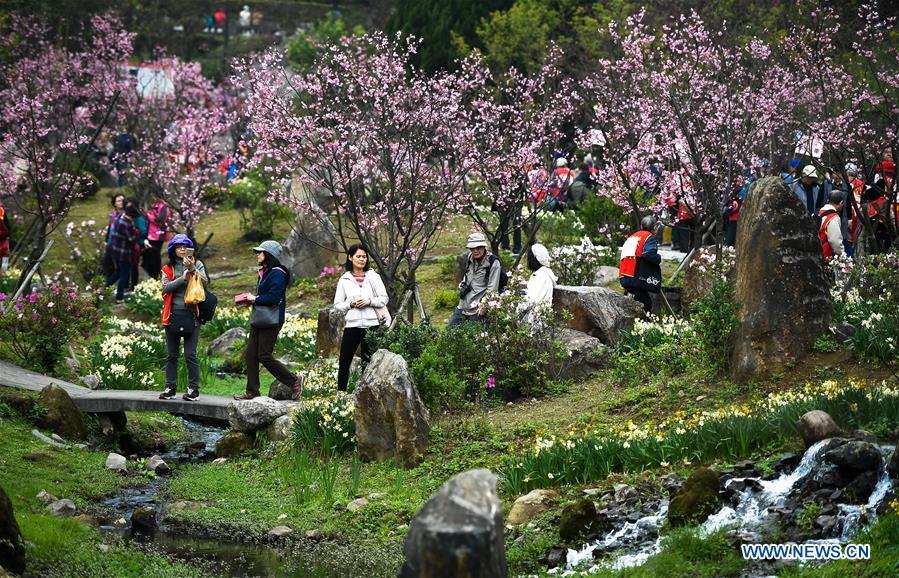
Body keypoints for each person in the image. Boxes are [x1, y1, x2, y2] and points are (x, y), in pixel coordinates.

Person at [234, 240, 303, 401]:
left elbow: (273, 297)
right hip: (260, 318)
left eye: (260, 252)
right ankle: (252, 391)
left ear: (269, 255)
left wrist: (255, 299)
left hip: (272, 320)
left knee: (264, 355)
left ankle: (294, 381)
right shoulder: (265, 271)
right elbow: (264, 296)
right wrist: (251, 300)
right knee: (251, 355)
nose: (257, 255)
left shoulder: (278, 273)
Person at [332, 244, 389, 392]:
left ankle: (366, 395)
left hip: (372, 325)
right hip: (353, 325)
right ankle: (341, 395)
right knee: (345, 360)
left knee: (368, 361)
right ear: (350, 258)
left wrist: (369, 301)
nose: (362, 259)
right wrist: (350, 304)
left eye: (364, 256)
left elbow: (384, 298)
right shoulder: (344, 279)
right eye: (358, 256)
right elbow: (337, 304)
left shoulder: (373, 276)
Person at [158, 234, 208, 401]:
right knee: (171, 354)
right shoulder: (167, 268)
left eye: (185, 246)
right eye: (178, 246)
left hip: (191, 315)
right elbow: (165, 288)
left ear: (190, 249)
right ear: (172, 250)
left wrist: (193, 269)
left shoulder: (198, 264)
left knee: (190, 355)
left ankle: (194, 390)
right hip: (171, 316)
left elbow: (205, 283)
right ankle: (170, 388)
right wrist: (182, 278)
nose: (181, 249)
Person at [448, 233, 502, 328]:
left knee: (473, 338)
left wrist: (484, 307)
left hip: (478, 308)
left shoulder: (493, 262)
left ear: (484, 246)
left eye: (479, 248)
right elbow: (467, 276)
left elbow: (492, 289)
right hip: (463, 305)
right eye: (473, 248)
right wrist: (462, 285)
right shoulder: (469, 257)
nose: (476, 251)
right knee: (450, 331)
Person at [619, 216, 662, 315]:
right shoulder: (649, 237)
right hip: (638, 276)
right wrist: (658, 258)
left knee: (640, 298)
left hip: (624, 275)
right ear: (654, 228)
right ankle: (643, 324)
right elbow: (648, 254)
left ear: (641, 226)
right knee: (645, 303)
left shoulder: (632, 236)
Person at [105, 204, 139, 303]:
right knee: (124, 274)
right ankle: (119, 298)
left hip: (116, 251)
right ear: (132, 216)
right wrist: (136, 234)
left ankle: (103, 289)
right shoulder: (126, 224)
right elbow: (131, 239)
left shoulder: (120, 218)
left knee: (118, 272)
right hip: (124, 253)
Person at [524, 243, 557, 320]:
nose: (527, 260)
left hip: (535, 320)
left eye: (529, 257)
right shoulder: (541, 274)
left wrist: (518, 307)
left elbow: (532, 300)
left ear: (535, 258)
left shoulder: (542, 276)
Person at [143, 192, 169, 280]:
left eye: (154, 195)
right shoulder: (154, 205)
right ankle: (153, 275)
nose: (153, 197)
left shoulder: (164, 206)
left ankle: (156, 275)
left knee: (156, 255)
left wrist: (148, 216)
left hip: (159, 235)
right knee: (151, 255)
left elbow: (161, 220)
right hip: (151, 234)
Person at [818, 191, 845, 262]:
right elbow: (835, 241)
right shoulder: (833, 217)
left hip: (816, 252)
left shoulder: (819, 212)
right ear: (841, 202)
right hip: (825, 256)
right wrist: (842, 254)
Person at [127, 199, 147, 291]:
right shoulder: (135, 218)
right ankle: (132, 285)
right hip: (134, 244)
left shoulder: (139, 219)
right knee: (133, 266)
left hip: (138, 245)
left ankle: (134, 286)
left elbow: (143, 232)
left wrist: (135, 234)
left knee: (134, 266)